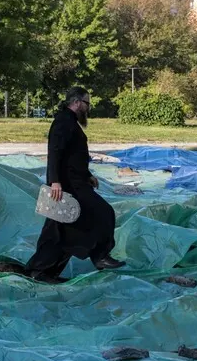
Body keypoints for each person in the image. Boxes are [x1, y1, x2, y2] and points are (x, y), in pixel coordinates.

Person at [26, 86, 125, 282]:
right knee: (104, 213)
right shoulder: (63, 122)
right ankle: (100, 256)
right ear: (77, 102)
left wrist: (88, 174)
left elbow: (72, 155)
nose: (88, 108)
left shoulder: (69, 122)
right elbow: (55, 152)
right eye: (87, 104)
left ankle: (42, 271)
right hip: (68, 186)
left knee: (62, 233)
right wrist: (54, 181)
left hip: (77, 181)